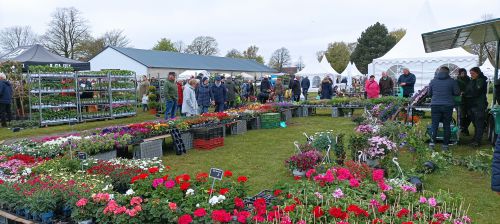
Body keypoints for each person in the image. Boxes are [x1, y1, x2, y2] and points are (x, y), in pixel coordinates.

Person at [428, 67, 460, 151]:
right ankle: (445, 145)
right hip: (448, 105)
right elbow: (457, 93)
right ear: (448, 72)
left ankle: (432, 144)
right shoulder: (452, 81)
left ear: (439, 72)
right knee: (447, 125)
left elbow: (429, 93)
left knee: (434, 125)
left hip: (435, 105)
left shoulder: (433, 81)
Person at [464, 67, 488, 147]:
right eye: (470, 74)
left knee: (479, 124)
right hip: (473, 105)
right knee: (475, 123)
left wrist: (467, 93)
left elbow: (476, 92)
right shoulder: (473, 80)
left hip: (479, 105)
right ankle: (475, 139)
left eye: (473, 73)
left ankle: (477, 141)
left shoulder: (480, 80)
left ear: (477, 73)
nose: (471, 75)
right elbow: (468, 90)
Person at [456, 68, 471, 135]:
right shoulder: (456, 80)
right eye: (462, 73)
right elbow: (455, 90)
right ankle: (461, 129)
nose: (463, 74)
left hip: (468, 99)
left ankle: (465, 128)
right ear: (459, 73)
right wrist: (460, 92)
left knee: (470, 115)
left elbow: (471, 88)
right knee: (461, 115)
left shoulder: (469, 80)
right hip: (460, 100)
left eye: (464, 72)